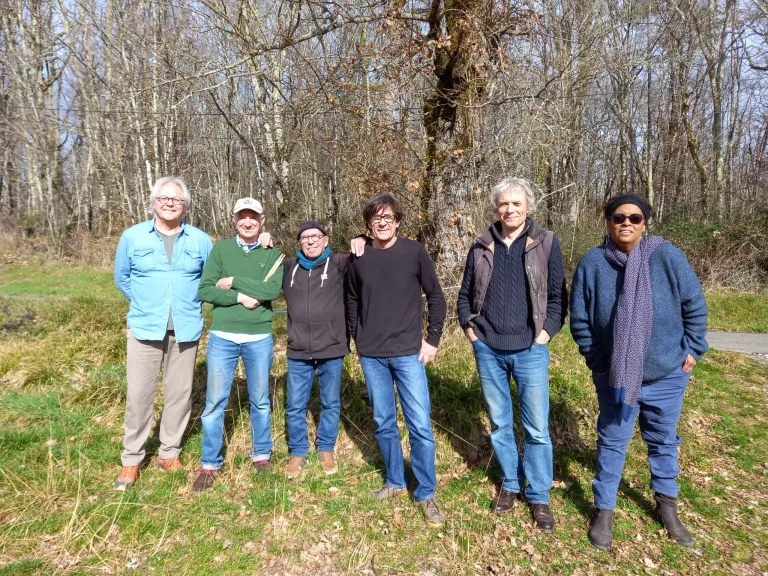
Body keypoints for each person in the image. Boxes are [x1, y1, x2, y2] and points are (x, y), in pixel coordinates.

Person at [570, 193, 708, 550]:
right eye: (618, 218)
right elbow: (581, 320)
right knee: (612, 442)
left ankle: (667, 507)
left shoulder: (665, 256)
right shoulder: (592, 263)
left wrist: (694, 347)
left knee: (663, 441)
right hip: (615, 376)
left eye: (634, 217)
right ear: (608, 222)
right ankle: (604, 511)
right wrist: (597, 361)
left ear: (645, 223)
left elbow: (694, 303)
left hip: (666, 373)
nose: (626, 223)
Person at [456, 177, 566, 533]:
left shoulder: (546, 243)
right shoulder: (480, 245)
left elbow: (556, 297)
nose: (510, 209)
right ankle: (511, 483)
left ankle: (538, 495)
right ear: (496, 207)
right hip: (488, 348)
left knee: (536, 427)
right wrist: (471, 331)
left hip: (530, 349)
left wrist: (545, 334)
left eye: (516, 204)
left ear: (528, 207)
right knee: (501, 423)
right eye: (504, 204)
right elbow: (464, 295)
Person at [346, 192, 448, 528]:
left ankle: (426, 491)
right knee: (384, 422)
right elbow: (350, 298)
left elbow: (436, 296)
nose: (383, 222)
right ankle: (394, 481)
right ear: (368, 224)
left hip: (408, 353)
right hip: (372, 355)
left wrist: (432, 340)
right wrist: (356, 337)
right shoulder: (357, 257)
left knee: (420, 425)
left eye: (388, 217)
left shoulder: (414, 252)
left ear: (398, 221)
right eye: (376, 218)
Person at [113, 176, 213, 490]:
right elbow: (122, 278)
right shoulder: (133, 237)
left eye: (176, 199)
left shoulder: (200, 240)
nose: (170, 203)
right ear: (154, 201)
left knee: (180, 395)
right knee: (139, 395)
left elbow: (209, 280)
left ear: (185, 206)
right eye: (164, 198)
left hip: (185, 329)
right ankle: (132, 459)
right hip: (144, 328)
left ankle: (169, 452)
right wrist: (146, 304)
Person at [192, 197, 284, 492]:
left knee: (260, 400)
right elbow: (205, 289)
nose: (248, 222)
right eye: (242, 217)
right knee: (215, 402)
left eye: (253, 217)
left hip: (259, 337)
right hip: (223, 337)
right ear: (234, 220)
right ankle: (210, 463)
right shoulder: (220, 250)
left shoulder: (272, 254)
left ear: (262, 220)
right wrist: (239, 297)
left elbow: (272, 290)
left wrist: (232, 280)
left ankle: (261, 455)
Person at [282, 221, 351, 479]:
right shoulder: (288, 266)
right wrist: (264, 239)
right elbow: (262, 267)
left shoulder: (340, 264)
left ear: (325, 239)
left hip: (331, 347)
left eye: (315, 236)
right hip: (298, 348)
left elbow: (367, 252)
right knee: (294, 405)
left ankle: (326, 447)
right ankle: (298, 450)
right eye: (304, 238)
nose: (310, 241)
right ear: (298, 243)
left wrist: (359, 238)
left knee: (330, 403)